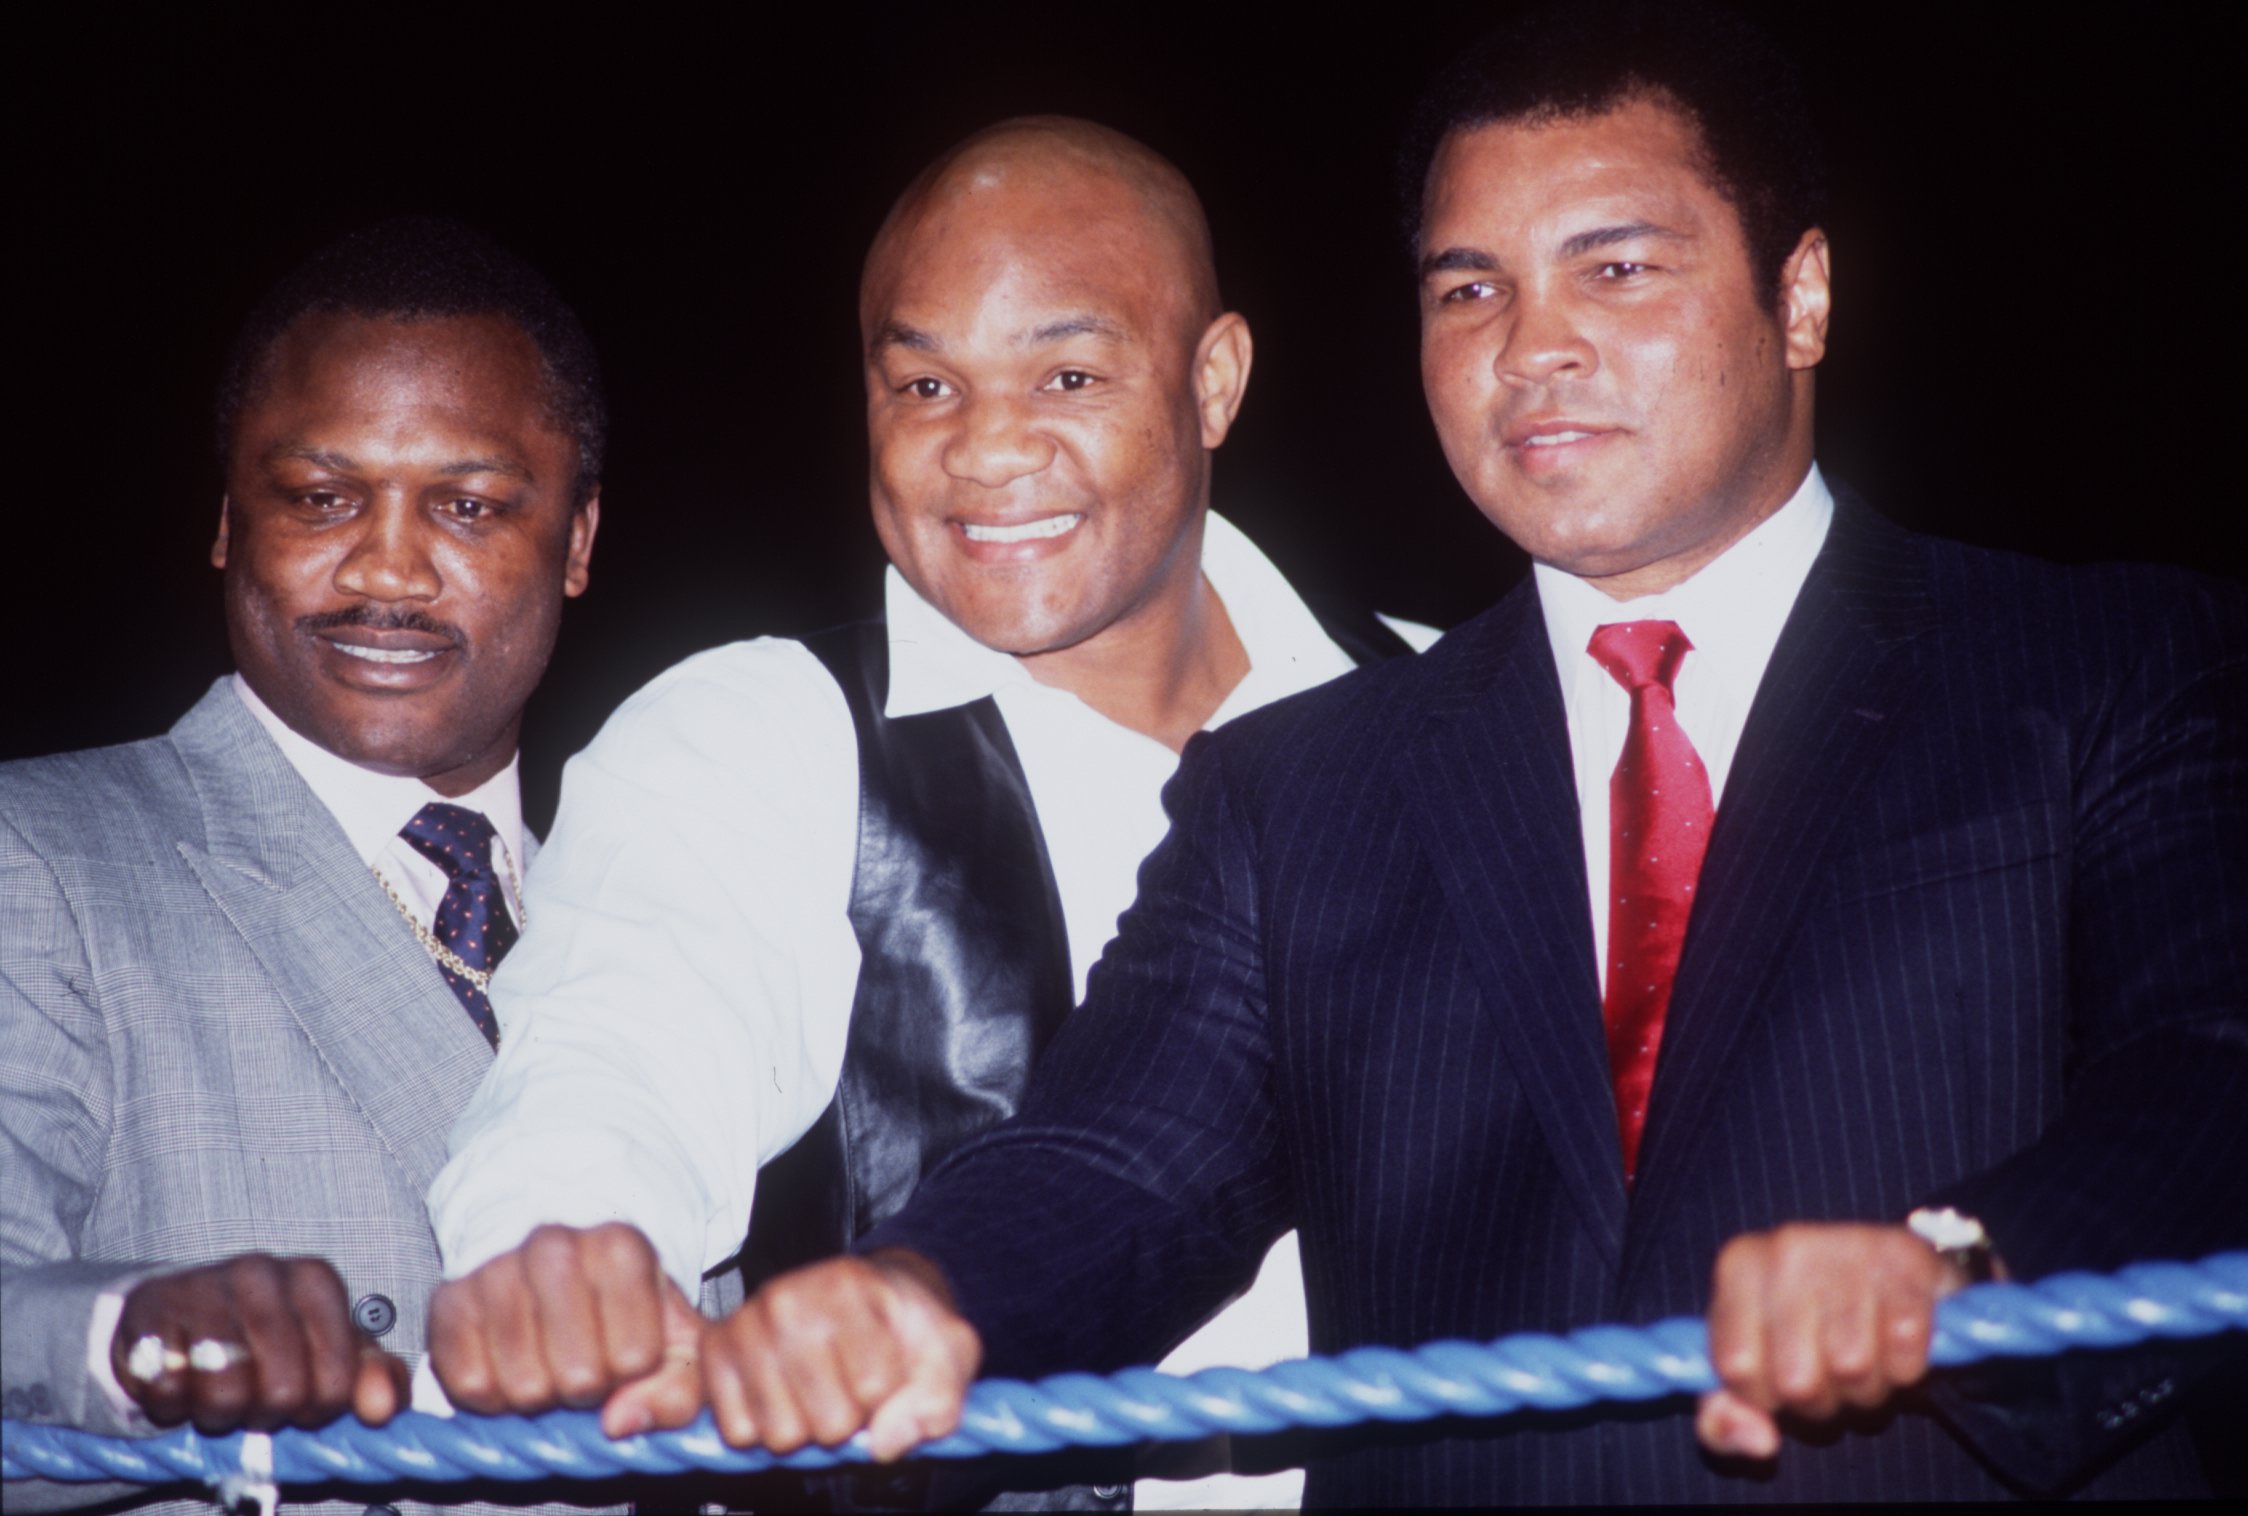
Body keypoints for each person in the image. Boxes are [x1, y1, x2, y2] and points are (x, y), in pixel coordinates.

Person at [632, 5, 2248, 1505]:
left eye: (1615, 270)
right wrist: (915, 1298)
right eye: (1470, 287)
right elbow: (1116, 1165)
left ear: (1801, 294)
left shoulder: (2108, 670)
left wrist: (1967, 1274)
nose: (1529, 346)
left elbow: (2210, 1070)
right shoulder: (1299, 789)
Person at [422, 118, 1432, 1511]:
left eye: (1067, 373)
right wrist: (560, 1251)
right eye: (925, 387)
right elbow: (610, 1056)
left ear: (1214, 380)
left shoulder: (1452, 715)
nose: (988, 451)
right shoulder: (756, 733)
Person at [0, 218, 603, 1515]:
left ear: (577, 541)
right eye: (320, 498)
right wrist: (135, 1339)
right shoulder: (40, 857)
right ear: (229, 523)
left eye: (472, 504)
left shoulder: (647, 913)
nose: (386, 567)